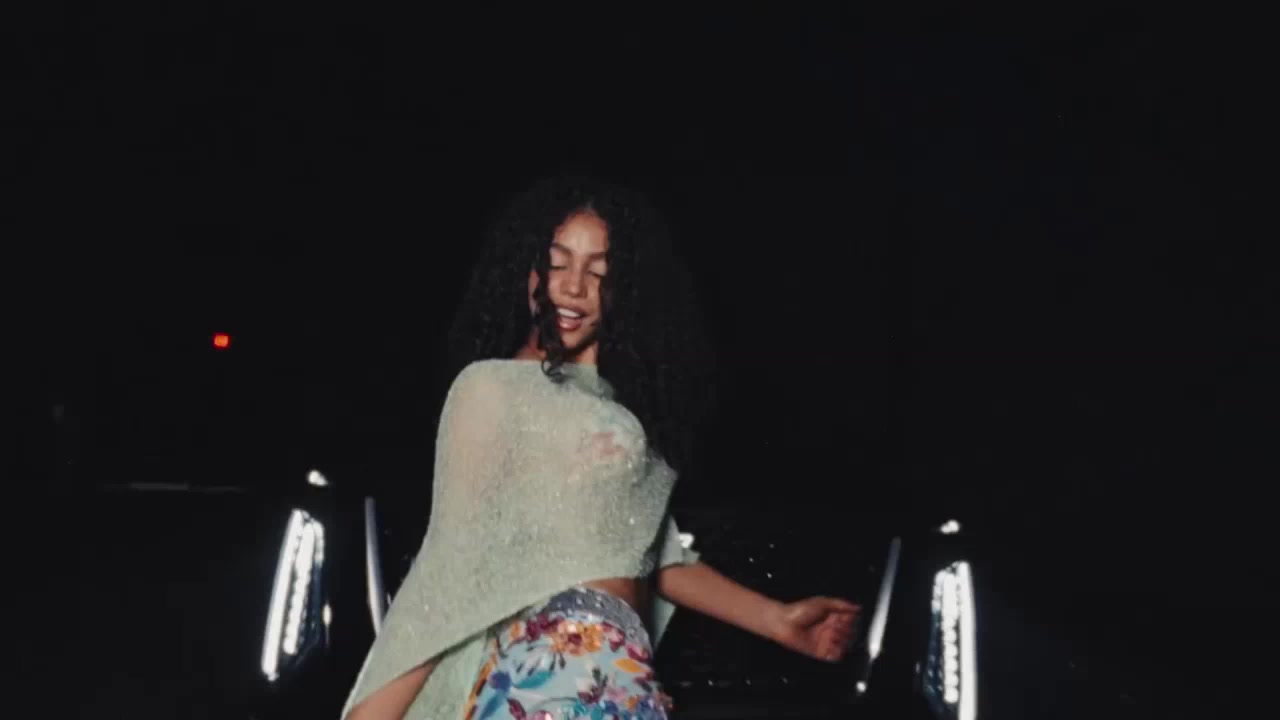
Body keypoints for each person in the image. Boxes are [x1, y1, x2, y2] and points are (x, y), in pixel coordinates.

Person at [343, 175, 859, 719]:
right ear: (530, 273)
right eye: (557, 264)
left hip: (620, 676)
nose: (573, 287)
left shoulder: (616, 405)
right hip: (553, 673)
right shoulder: (491, 388)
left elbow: (647, 552)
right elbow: (450, 565)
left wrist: (778, 621)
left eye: (598, 273)